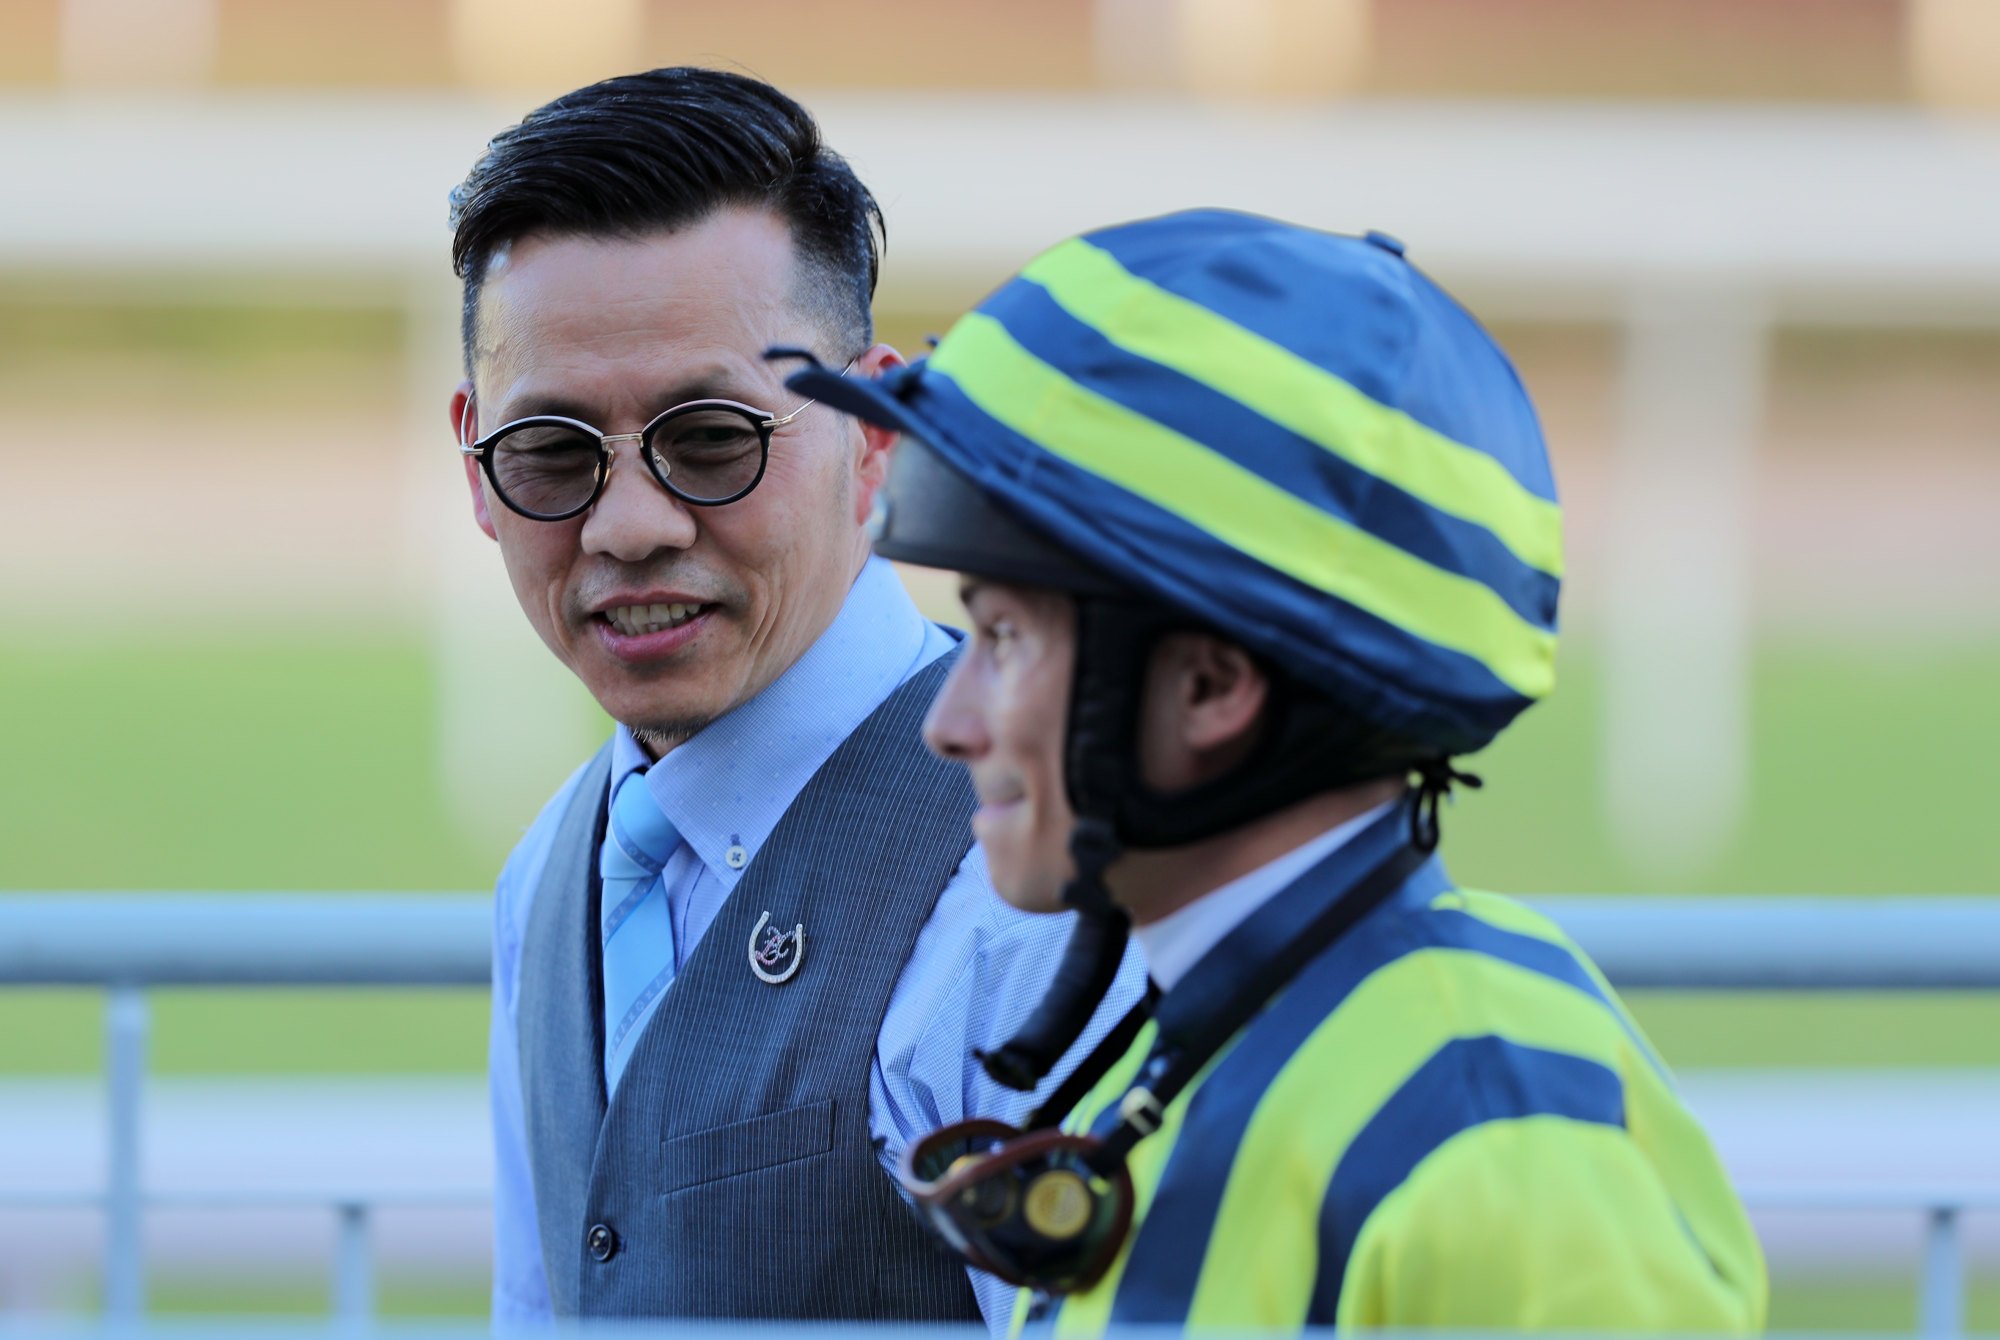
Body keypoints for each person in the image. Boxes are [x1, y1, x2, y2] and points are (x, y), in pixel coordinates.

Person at [786, 208, 1769, 1333]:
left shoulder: (1488, 1126)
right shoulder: (1211, 1044)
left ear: (1207, 684)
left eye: (1004, 641)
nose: (947, 723)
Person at [445, 67, 1143, 1328]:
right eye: (550, 451)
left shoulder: (1027, 887)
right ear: (476, 464)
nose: (630, 524)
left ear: (869, 424)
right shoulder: (549, 869)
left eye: (710, 436)